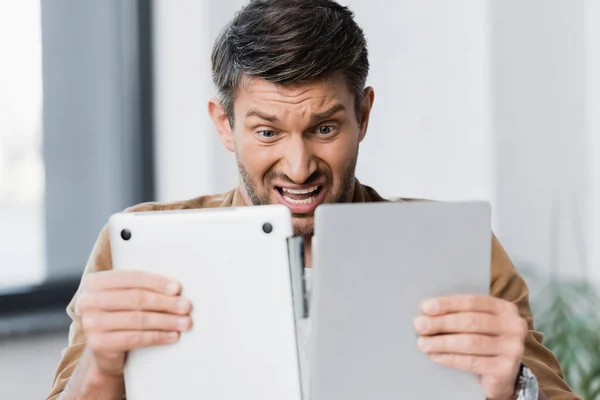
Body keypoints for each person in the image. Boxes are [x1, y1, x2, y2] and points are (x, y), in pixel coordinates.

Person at [48, 1, 579, 399]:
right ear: (224, 124)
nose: (299, 167)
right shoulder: (139, 250)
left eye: (324, 127)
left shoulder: (458, 250)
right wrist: (103, 366)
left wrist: (515, 385)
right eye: (267, 132)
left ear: (363, 116)